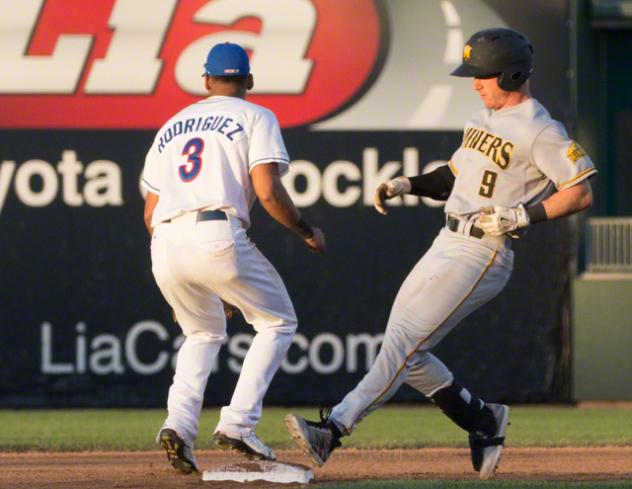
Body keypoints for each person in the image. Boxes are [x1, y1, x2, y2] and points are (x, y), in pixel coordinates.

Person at [285, 27, 596, 480]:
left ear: (512, 75)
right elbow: (453, 176)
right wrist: (407, 184)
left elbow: (580, 193)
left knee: (403, 343)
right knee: (405, 352)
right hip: (447, 240)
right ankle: (482, 420)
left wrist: (523, 216)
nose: (475, 83)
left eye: (483, 75)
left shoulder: (541, 130)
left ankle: (332, 429)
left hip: (484, 250)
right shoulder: (481, 120)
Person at [142, 42, 325, 474]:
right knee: (278, 321)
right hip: (216, 231)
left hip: (165, 241)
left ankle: (179, 426)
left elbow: (149, 212)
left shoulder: (172, 124)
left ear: (206, 80)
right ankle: (239, 423)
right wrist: (305, 230)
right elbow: (267, 191)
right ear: (249, 81)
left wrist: (192, 276)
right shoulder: (255, 115)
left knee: (201, 334)